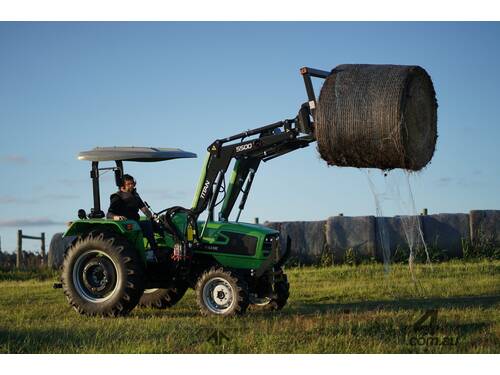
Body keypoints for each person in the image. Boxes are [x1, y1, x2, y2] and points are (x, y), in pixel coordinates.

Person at [106, 174, 159, 256]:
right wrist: (116, 217)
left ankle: (156, 251)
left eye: (132, 184)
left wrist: (152, 218)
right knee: (143, 227)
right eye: (128, 184)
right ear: (122, 185)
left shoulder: (135, 195)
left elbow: (144, 209)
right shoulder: (117, 196)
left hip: (135, 222)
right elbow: (109, 214)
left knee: (150, 224)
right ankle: (142, 254)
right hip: (126, 224)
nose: (131, 186)